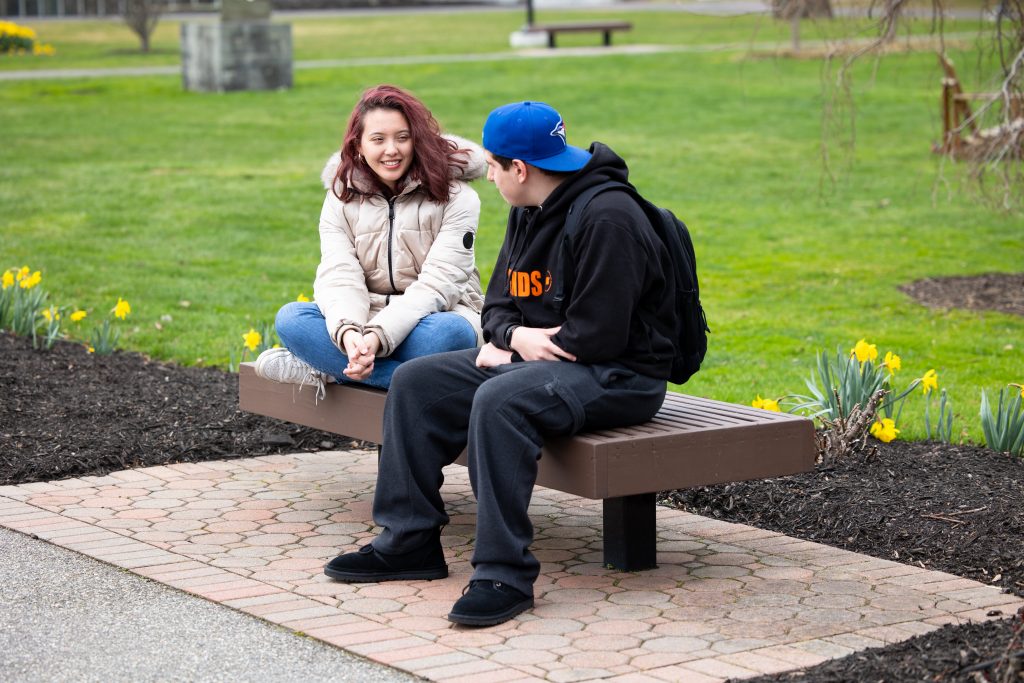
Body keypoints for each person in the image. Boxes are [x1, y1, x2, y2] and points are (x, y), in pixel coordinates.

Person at [323, 101, 678, 627]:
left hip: (621, 375)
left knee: (499, 399)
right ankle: (409, 542)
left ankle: (503, 574)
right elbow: (496, 308)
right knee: (419, 381)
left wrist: (509, 350)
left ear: (521, 169)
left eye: (493, 165)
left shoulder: (609, 219)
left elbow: (600, 336)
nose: (485, 174)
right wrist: (513, 337)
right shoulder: (527, 210)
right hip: (551, 360)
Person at [254, 84, 486, 392]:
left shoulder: (457, 197)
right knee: (292, 319)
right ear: (358, 146)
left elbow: (439, 283)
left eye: (403, 138)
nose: (392, 150)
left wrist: (377, 337)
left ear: (417, 141)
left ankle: (330, 368)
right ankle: (405, 380)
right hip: (364, 314)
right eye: (378, 139)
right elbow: (340, 274)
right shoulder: (341, 196)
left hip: (436, 316)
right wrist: (350, 333)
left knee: (451, 334)